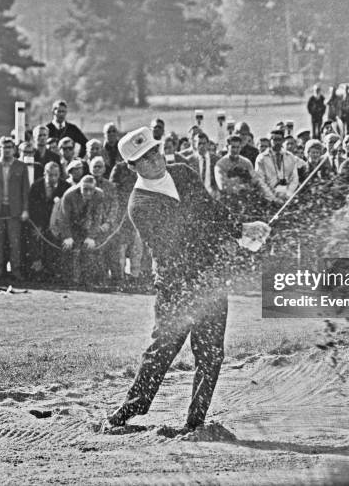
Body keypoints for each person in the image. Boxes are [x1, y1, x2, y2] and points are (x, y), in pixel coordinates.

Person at [103, 126, 269, 433]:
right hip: (176, 286)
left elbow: (211, 211)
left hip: (210, 279)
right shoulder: (140, 205)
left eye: (155, 151)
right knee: (163, 349)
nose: (154, 159)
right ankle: (130, 409)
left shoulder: (183, 172)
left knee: (211, 353)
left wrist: (243, 229)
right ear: (132, 166)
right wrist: (229, 245)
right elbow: (176, 244)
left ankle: (196, 421)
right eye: (144, 157)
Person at [0, 137, 30, 281]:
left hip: (14, 210)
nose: (7, 150)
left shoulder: (21, 166)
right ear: (0, 149)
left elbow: (25, 190)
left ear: (14, 149)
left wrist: (25, 210)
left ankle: (15, 271)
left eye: (10, 147)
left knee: (14, 242)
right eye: (4, 147)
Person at [59, 175, 116, 285]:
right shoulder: (69, 195)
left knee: (91, 247)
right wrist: (68, 237)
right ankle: (71, 279)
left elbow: (97, 218)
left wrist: (91, 237)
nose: (88, 193)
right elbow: (64, 219)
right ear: (80, 187)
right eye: (85, 189)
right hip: (71, 223)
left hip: (87, 223)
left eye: (91, 190)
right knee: (70, 248)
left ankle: (89, 278)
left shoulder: (99, 195)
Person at [28, 161, 71, 279]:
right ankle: (37, 272)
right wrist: (37, 226)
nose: (53, 177)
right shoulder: (36, 186)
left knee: (55, 248)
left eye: (55, 175)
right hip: (39, 223)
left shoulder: (65, 187)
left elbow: (67, 210)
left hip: (57, 224)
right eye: (50, 174)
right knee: (36, 245)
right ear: (44, 173)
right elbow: (32, 207)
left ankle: (55, 272)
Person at [255, 128, 299, 204]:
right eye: (274, 140)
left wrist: (288, 195)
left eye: (279, 139)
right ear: (270, 141)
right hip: (268, 199)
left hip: (287, 198)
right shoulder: (261, 158)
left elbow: (294, 178)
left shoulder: (290, 157)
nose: (277, 142)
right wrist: (273, 199)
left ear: (283, 140)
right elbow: (260, 181)